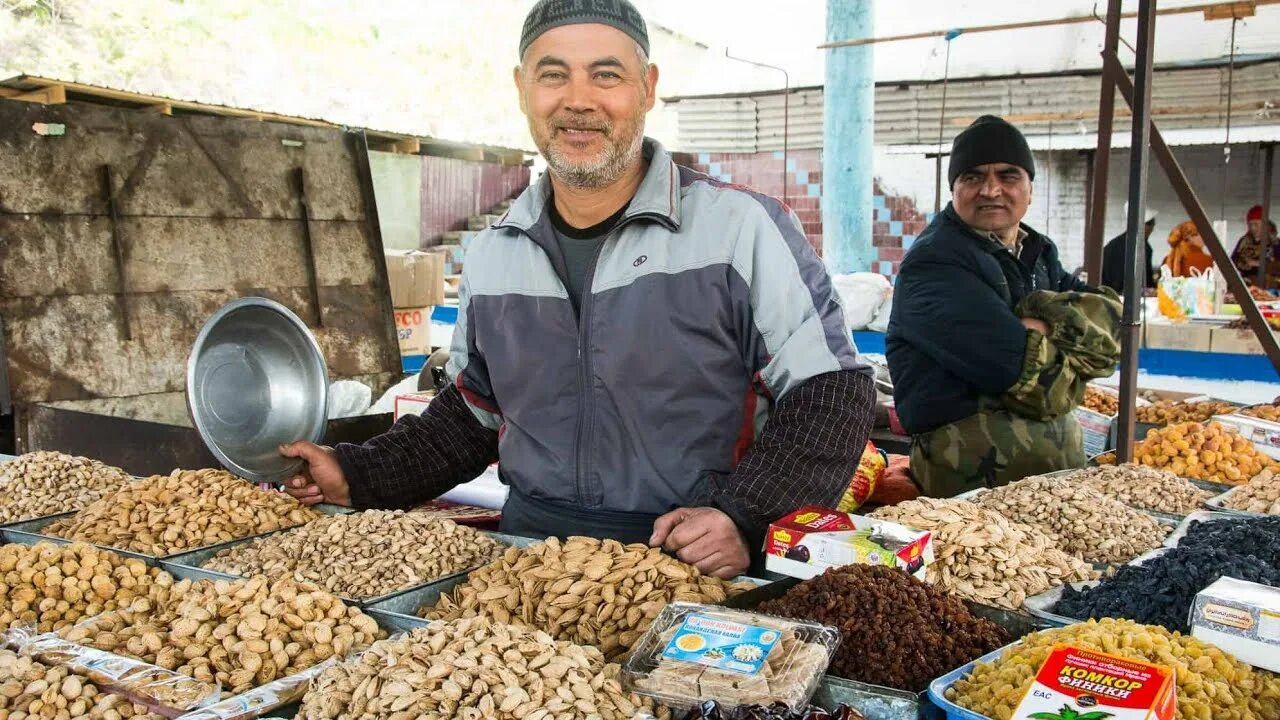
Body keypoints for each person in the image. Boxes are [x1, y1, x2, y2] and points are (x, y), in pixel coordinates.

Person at [278, 0, 876, 578]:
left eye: (606, 75)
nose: (579, 100)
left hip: (685, 565)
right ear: (522, 89)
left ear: (647, 87)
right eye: (553, 75)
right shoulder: (494, 253)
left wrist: (744, 516)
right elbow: (471, 414)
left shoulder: (741, 231)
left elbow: (833, 390)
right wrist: (356, 473)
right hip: (529, 564)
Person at [886, 115, 1118, 497]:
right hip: (975, 492)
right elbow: (1032, 381)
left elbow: (1113, 325)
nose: (990, 189)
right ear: (954, 189)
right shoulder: (934, 264)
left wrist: (1041, 318)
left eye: (1008, 175)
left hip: (1057, 486)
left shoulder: (1038, 252)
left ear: (1029, 188)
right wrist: (1075, 359)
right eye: (973, 177)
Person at [1100, 204, 1158, 294]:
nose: (1152, 228)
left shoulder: (1145, 247)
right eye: (1150, 224)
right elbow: (1118, 284)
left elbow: (1147, 280)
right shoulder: (1117, 248)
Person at [1232, 205, 1278, 286]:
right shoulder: (1244, 241)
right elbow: (1232, 261)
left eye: (1256, 224)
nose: (1253, 228)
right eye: (1250, 224)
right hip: (1242, 282)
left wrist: (1260, 264)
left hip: (1265, 284)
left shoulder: (1275, 243)